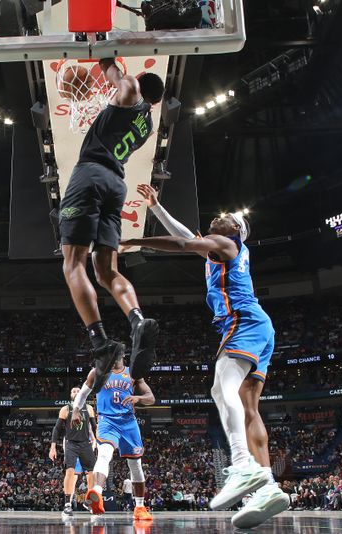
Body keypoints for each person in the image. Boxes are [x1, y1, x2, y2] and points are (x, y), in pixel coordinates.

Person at [120, 192, 288, 527]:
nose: (219, 215)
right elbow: (187, 237)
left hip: (243, 322)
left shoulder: (226, 244)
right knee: (248, 405)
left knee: (220, 388)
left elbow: (183, 245)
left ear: (235, 230)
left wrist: (134, 241)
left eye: (226, 216)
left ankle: (242, 464)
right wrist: (155, 207)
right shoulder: (223, 248)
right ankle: (268, 486)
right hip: (260, 325)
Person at [59, 57, 165, 393]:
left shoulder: (130, 88)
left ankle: (101, 343)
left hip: (91, 173)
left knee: (73, 263)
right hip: (116, 185)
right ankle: (136, 320)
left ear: (139, 81)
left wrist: (103, 50)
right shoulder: (146, 128)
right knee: (106, 271)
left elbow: (113, 71)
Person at [71, 351, 155, 521]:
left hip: (128, 422)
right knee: (104, 454)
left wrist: (137, 398)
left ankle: (139, 507)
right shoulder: (97, 371)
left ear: (122, 354)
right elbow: (83, 393)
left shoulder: (133, 373)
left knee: (135, 464)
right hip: (107, 421)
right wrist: (76, 411)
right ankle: (97, 493)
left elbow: (151, 398)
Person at [49, 386, 98, 517]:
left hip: (85, 443)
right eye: (73, 391)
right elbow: (57, 429)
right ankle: (67, 504)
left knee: (92, 473)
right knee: (70, 471)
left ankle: (90, 502)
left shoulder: (89, 408)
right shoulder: (65, 409)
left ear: (82, 394)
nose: (76, 392)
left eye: (78, 391)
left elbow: (94, 427)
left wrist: (100, 441)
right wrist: (53, 447)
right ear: (70, 395)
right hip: (71, 443)